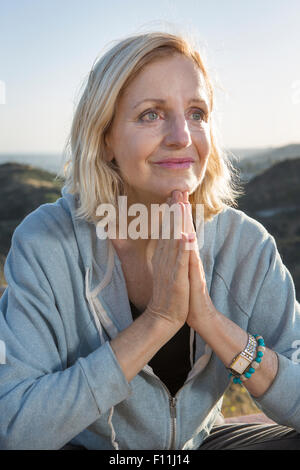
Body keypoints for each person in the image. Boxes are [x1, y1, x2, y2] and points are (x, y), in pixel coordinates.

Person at [0, 31, 300, 451]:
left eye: (197, 113)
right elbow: (13, 424)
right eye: (151, 115)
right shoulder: (48, 242)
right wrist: (157, 321)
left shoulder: (245, 244)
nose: (182, 135)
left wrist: (214, 325)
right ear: (104, 138)